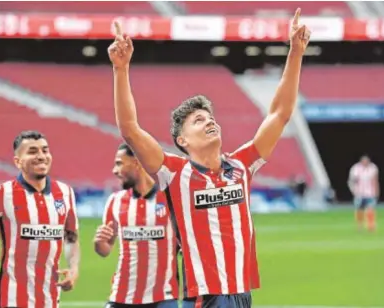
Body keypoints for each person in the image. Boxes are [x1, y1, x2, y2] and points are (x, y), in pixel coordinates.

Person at [107, 8, 311, 308]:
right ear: (182, 140)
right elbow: (130, 130)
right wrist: (121, 70)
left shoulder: (241, 166)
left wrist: (295, 53)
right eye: (199, 120)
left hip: (243, 293)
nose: (209, 122)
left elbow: (279, 114)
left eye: (210, 117)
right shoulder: (175, 173)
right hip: (205, 296)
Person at [0, 130, 80, 308]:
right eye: (33, 151)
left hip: (51, 298)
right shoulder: (3, 193)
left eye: (45, 150)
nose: (41, 156)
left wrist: (73, 269)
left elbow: (71, 237)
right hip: (13, 298)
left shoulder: (65, 192)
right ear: (17, 161)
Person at [94, 143, 179, 308]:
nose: (114, 170)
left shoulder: (170, 198)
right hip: (121, 296)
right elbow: (105, 249)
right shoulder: (115, 200)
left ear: (137, 162)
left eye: (119, 163)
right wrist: (99, 243)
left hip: (163, 297)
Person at [348, 155, 379, 231]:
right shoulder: (355, 168)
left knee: (370, 209)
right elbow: (351, 180)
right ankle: (360, 225)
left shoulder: (373, 168)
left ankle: (371, 225)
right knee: (359, 210)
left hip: (370, 193)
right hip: (359, 193)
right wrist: (353, 190)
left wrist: (376, 191)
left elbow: (375, 180)